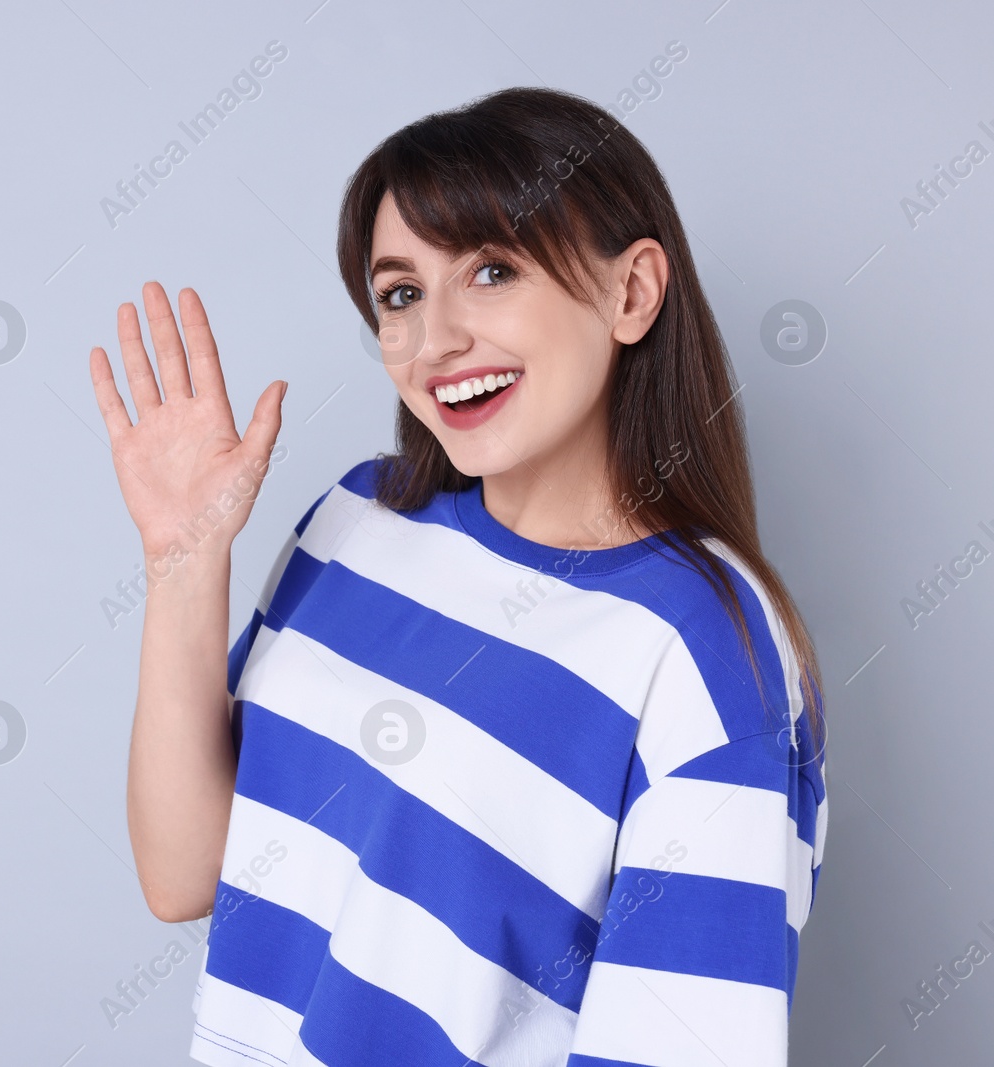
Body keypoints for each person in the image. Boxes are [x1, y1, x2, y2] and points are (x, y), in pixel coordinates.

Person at [87, 85, 828, 1067]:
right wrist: (183, 562)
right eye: (401, 293)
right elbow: (183, 872)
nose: (436, 339)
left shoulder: (702, 645)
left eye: (490, 269)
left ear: (631, 291)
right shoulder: (356, 521)